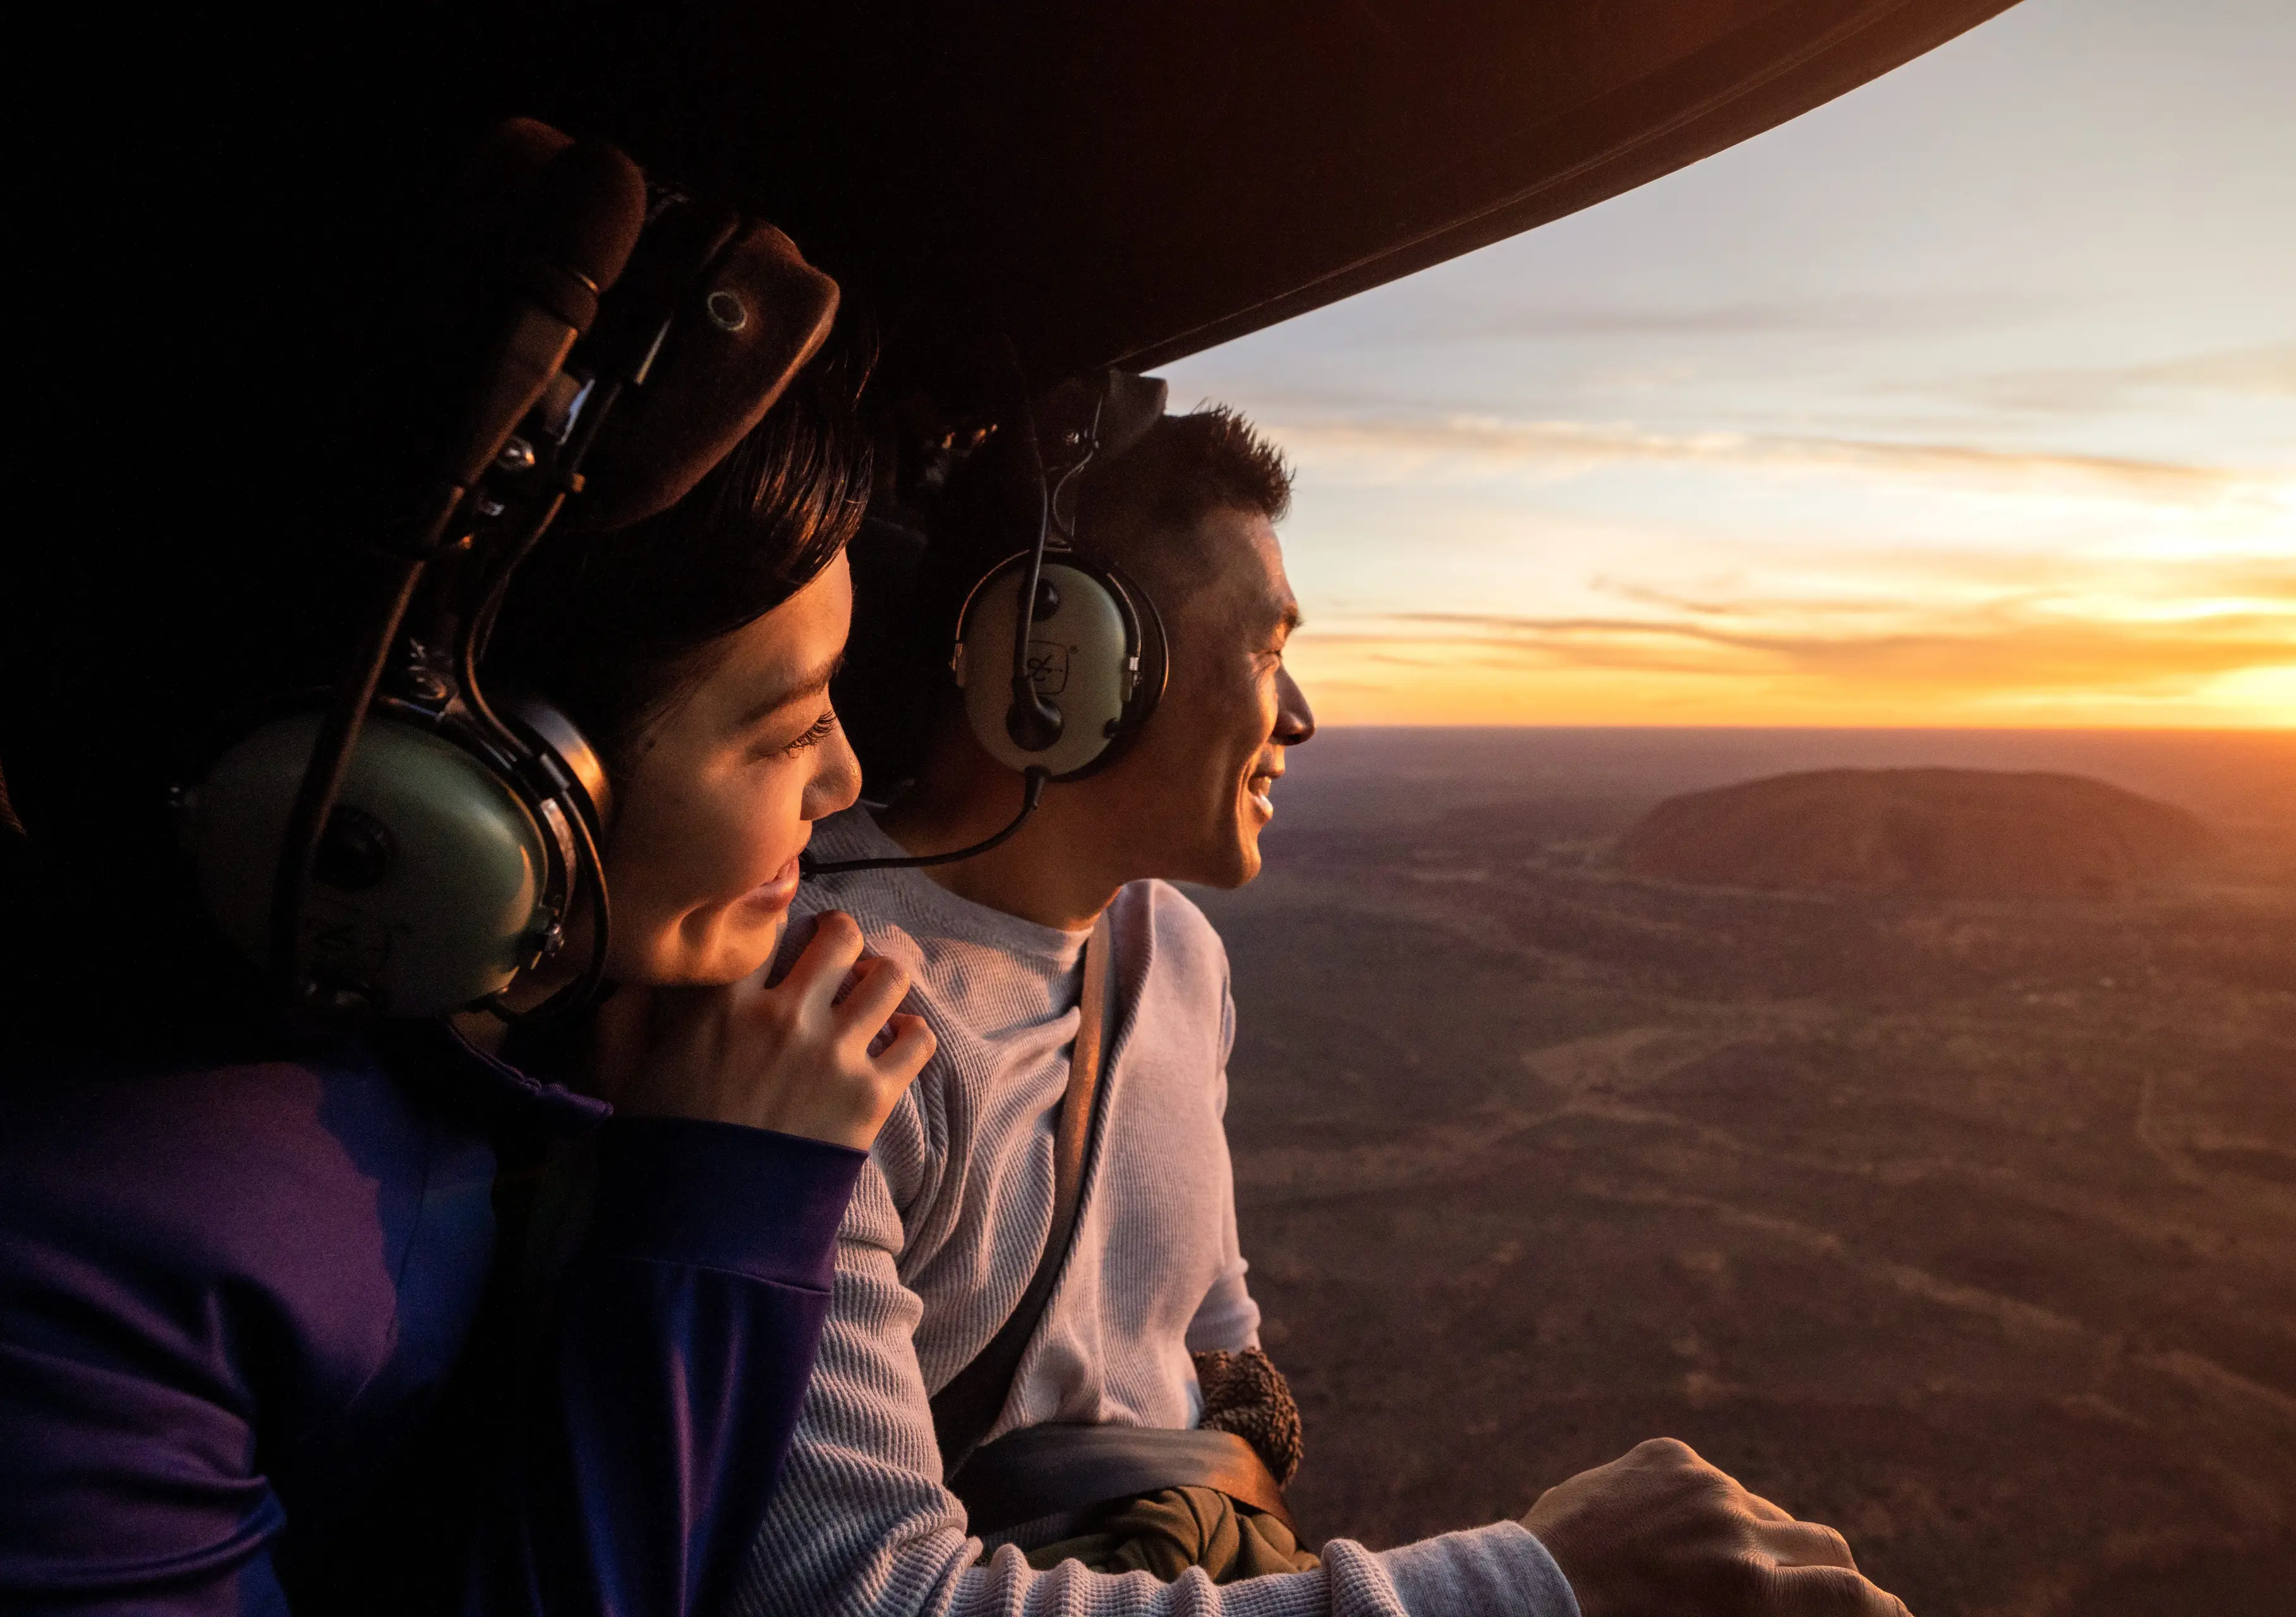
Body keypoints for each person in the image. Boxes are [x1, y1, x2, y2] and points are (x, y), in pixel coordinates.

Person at [733, 394, 1912, 1617]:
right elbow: (860, 1591)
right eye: (1265, 648)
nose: (1300, 713)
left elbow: (1213, 1343)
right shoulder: (820, 1013)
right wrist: (1538, 1580)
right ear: (1068, 659)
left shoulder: (1174, 956)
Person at [0, 364, 936, 1613]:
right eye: (781, 730)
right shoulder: (95, 1266)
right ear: (500, 785)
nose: (842, 776)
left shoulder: (525, 1041)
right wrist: (730, 1202)